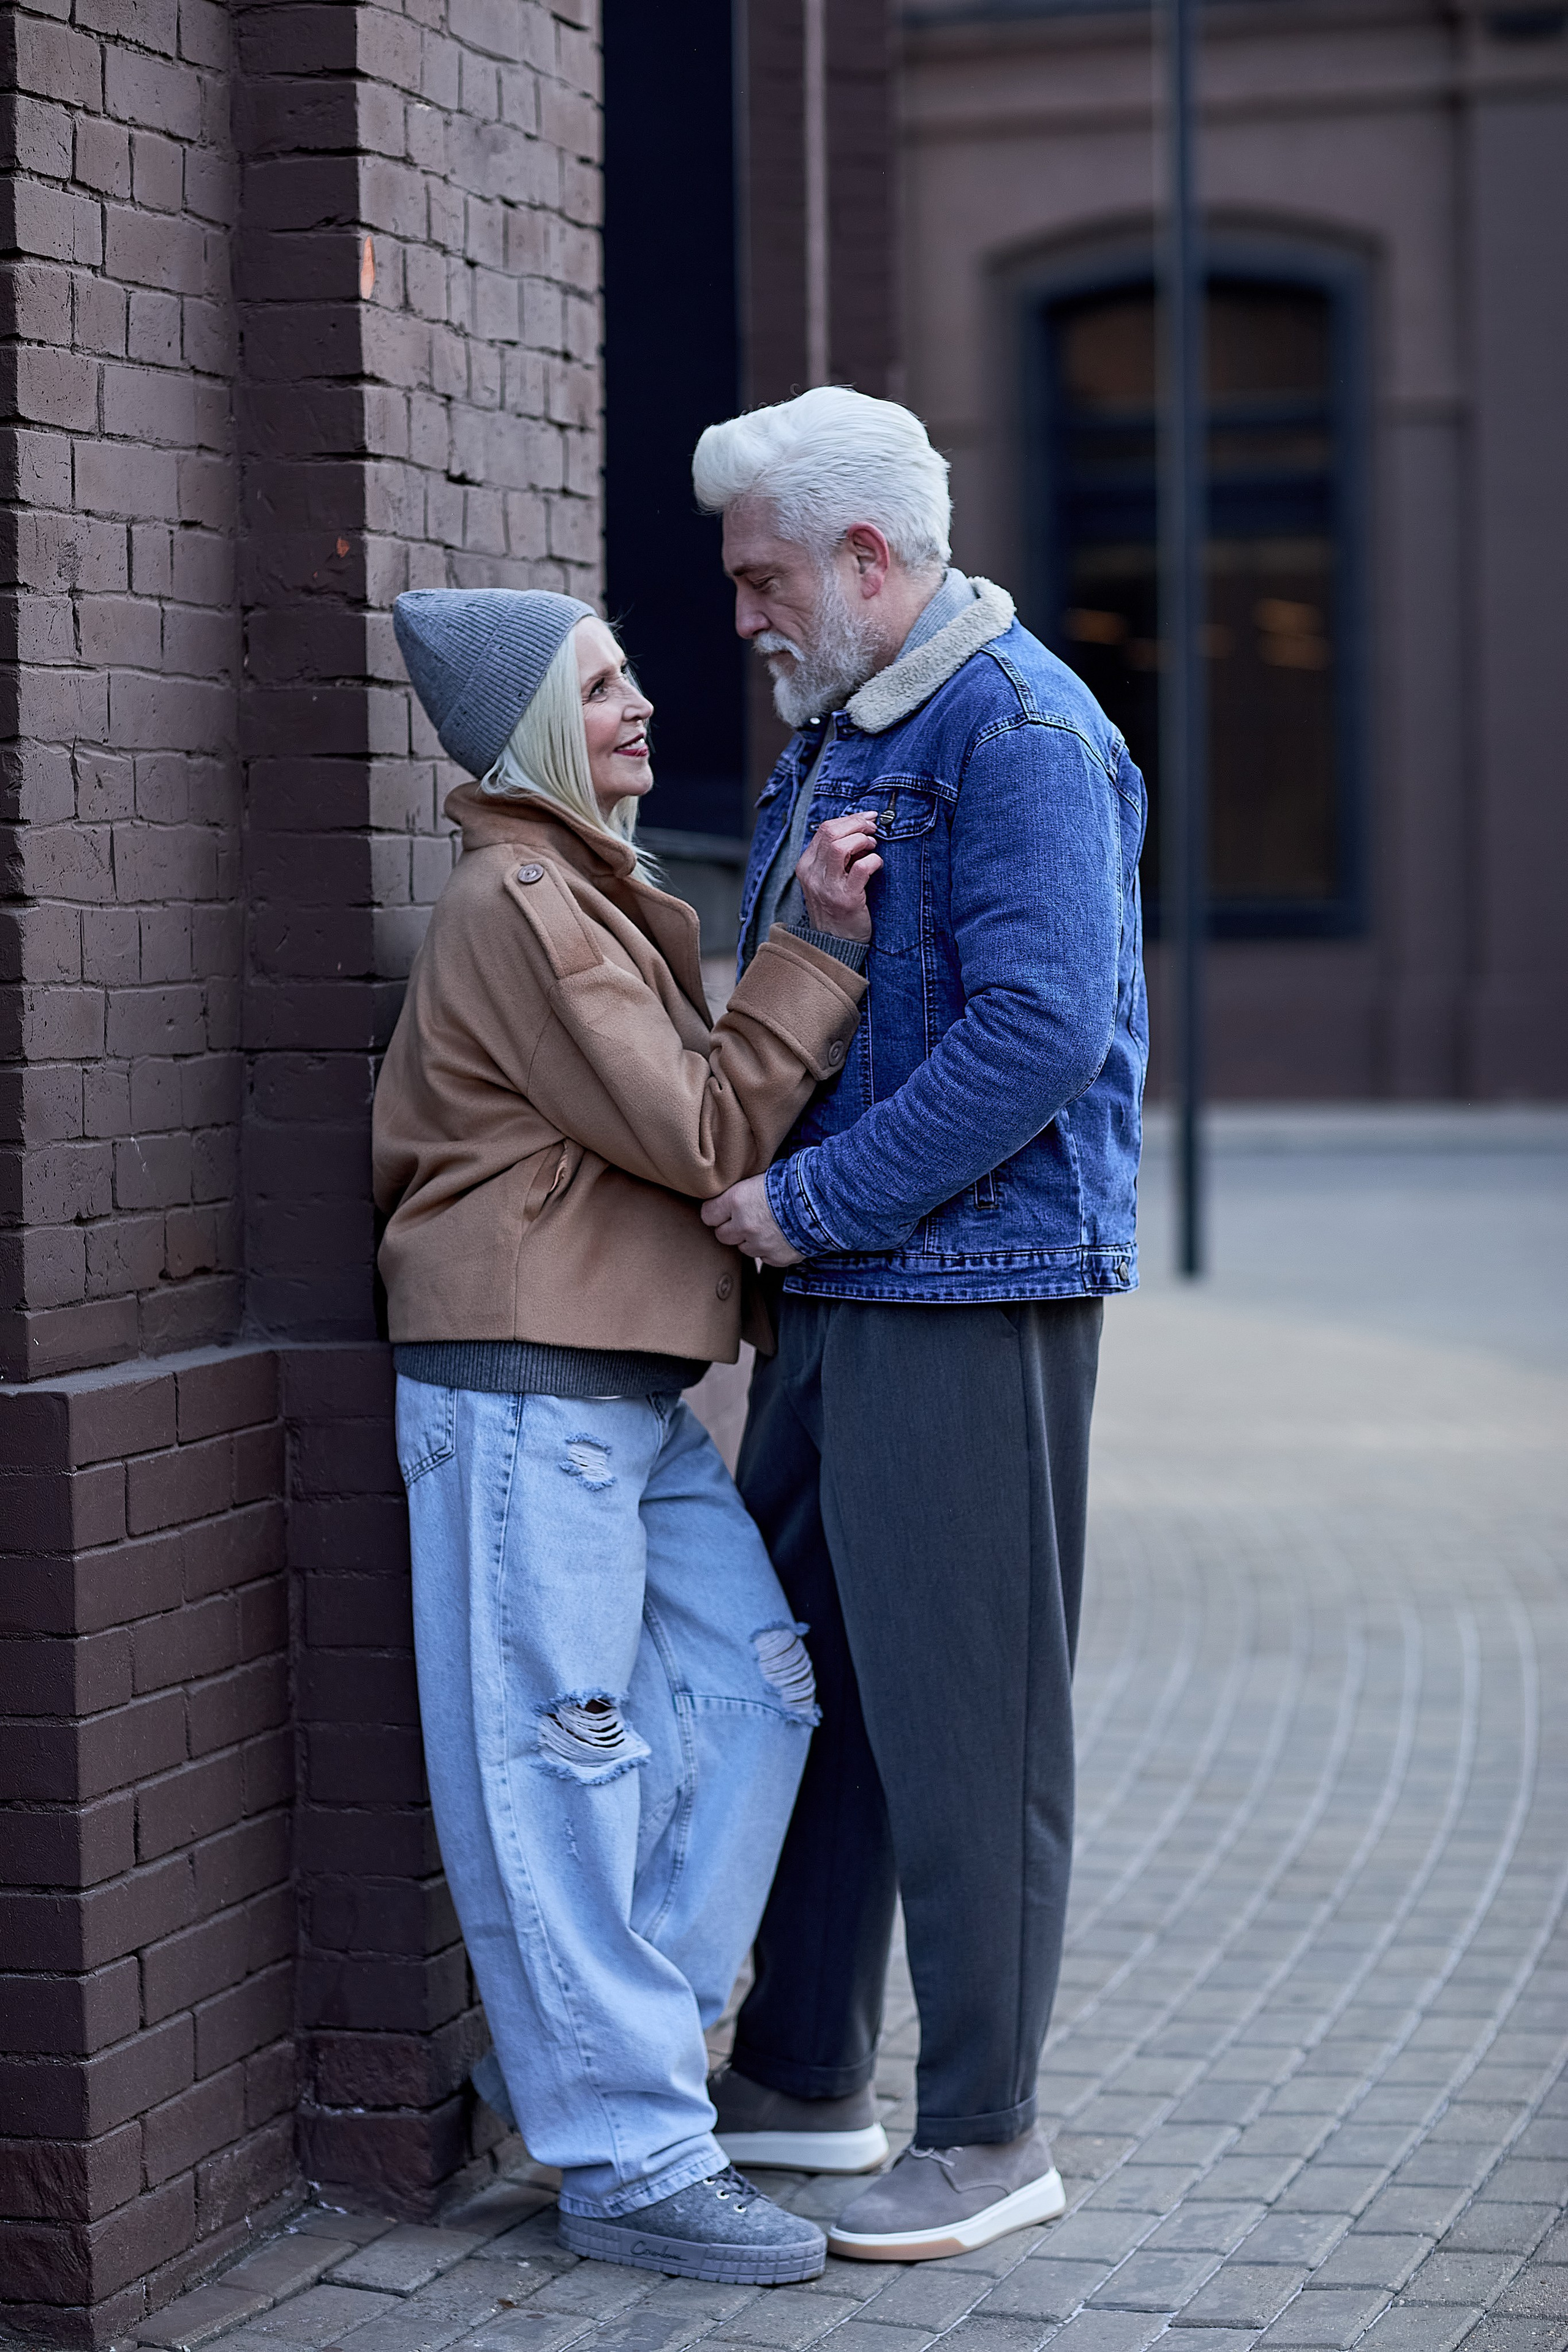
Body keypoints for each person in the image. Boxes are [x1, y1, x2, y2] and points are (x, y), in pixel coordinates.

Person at [373, 587, 884, 2283]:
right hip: (526, 1391)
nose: (642, 704)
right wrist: (818, 946)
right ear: (530, 730)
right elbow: (700, 1123)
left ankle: (609, 2082)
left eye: (632, 675)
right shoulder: (527, 898)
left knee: (756, 1686)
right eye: (599, 689)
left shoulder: (589, 887)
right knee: (566, 1765)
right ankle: (629, 2155)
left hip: (622, 1390)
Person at [692, 388, 1148, 2261]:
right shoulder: (854, 722)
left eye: (764, 578)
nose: (743, 616)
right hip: (847, 1297)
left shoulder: (1024, 729)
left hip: (965, 1290)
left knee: (972, 1727)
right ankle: (805, 2077)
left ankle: (990, 2130)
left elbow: (1042, 1037)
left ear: (870, 559)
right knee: (819, 1693)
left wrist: (804, 1202)